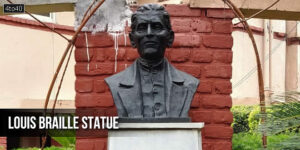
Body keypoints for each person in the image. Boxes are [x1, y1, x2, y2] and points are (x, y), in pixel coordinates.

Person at [105, 4, 199, 119]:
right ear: (132, 40)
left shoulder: (189, 84)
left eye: (157, 27)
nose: (149, 33)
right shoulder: (116, 83)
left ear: (170, 38)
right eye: (142, 28)